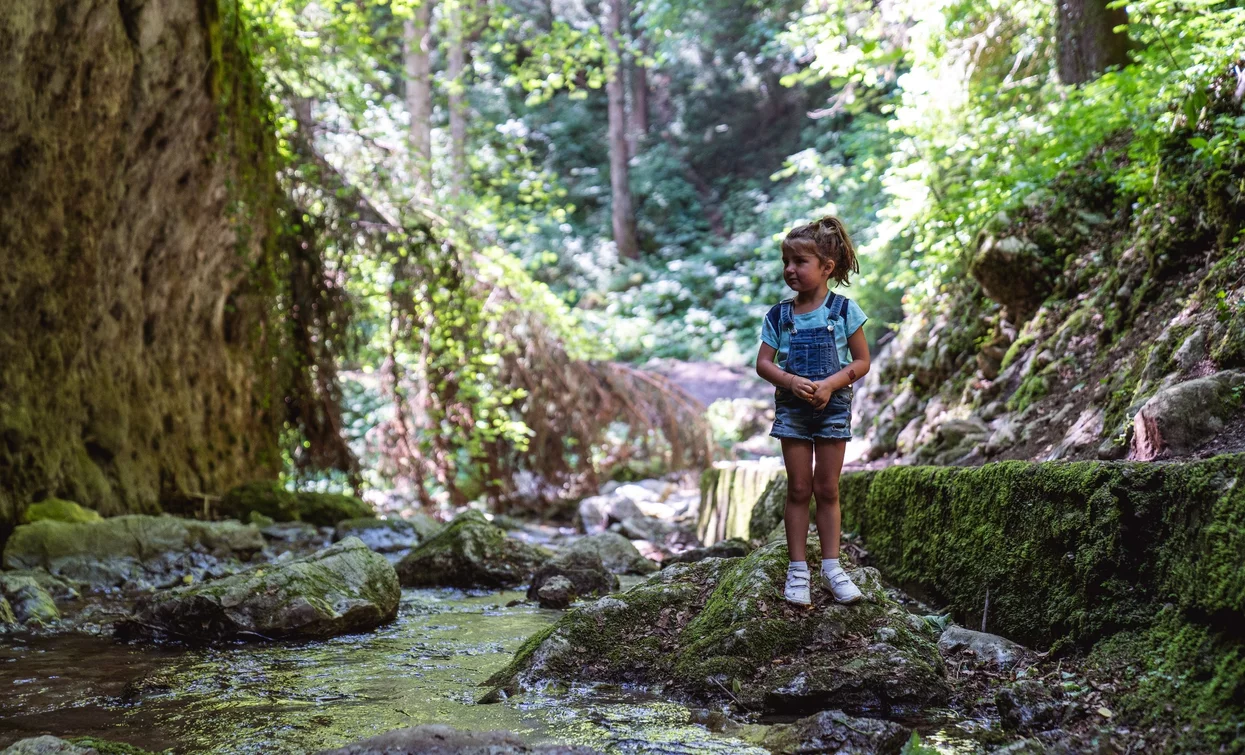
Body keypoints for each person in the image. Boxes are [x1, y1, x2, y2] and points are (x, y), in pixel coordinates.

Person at [755, 216, 870, 606]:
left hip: (833, 409)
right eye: (786, 261)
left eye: (800, 261)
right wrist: (790, 382)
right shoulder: (779, 316)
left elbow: (862, 361)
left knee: (827, 489)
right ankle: (798, 569)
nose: (790, 269)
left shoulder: (843, 310)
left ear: (826, 267)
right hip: (793, 411)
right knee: (799, 488)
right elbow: (764, 364)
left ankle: (833, 568)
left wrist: (830, 384)